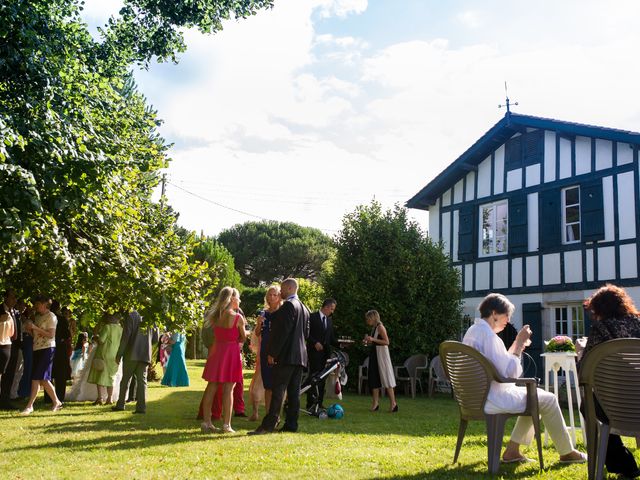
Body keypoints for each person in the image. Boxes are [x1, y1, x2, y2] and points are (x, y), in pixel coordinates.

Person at [463, 293, 586, 464]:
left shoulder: (473, 332)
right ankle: (567, 452)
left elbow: (501, 365)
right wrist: (519, 344)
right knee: (547, 399)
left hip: (475, 397)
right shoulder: (489, 337)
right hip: (491, 397)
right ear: (494, 313)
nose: (508, 319)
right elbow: (510, 374)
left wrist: (516, 343)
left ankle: (513, 451)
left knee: (535, 397)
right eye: (507, 315)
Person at [576, 284, 640, 478]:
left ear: (599, 309)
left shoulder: (600, 329)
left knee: (587, 405)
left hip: (616, 405)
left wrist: (580, 353)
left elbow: (584, 373)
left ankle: (624, 465)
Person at [249, 278, 310, 435]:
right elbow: (306, 333)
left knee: (278, 390)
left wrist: (272, 353)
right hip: (300, 357)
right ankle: (291, 424)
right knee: (294, 393)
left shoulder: (289, 305)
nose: (280, 293)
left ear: (289, 288)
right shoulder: (304, 307)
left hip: (286, 356)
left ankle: (268, 425)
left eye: (282, 290)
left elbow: (283, 332)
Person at [200, 287, 246, 433]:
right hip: (231, 353)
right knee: (228, 389)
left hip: (216, 352)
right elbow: (243, 337)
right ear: (232, 299)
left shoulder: (214, 315)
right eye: (238, 297)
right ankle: (226, 425)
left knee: (211, 386)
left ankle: (206, 422)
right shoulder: (238, 318)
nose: (239, 300)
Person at [21, 295, 63, 414]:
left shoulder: (51, 316)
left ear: (45, 304)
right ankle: (56, 402)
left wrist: (34, 327)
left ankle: (30, 406)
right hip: (37, 348)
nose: (35, 306)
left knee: (37, 378)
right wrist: (30, 330)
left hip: (47, 349)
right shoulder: (38, 317)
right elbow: (37, 334)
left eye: (38, 304)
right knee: (42, 379)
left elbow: (50, 335)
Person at [112, 311, 158, 414]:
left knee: (125, 380)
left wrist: (119, 354)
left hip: (131, 353)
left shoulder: (131, 316)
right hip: (145, 354)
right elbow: (155, 339)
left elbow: (125, 337)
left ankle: (120, 404)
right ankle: (141, 407)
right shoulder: (152, 316)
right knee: (142, 381)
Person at [364, 310, 397, 413]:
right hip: (375, 355)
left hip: (382, 356)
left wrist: (373, 340)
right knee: (374, 378)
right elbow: (375, 342)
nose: (366, 321)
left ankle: (393, 404)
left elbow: (386, 342)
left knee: (387, 378)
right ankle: (375, 404)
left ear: (373, 318)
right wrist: (369, 341)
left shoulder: (380, 327)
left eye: (368, 318)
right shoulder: (374, 328)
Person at [306, 298, 337, 411]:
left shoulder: (329, 320)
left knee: (323, 378)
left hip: (326, 354)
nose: (332, 311)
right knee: (314, 377)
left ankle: (320, 402)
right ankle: (311, 403)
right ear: (326, 307)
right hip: (314, 353)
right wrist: (315, 343)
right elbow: (306, 333)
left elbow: (331, 338)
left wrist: (342, 344)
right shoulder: (312, 317)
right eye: (332, 309)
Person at [87, 313, 123, 404]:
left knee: (100, 374)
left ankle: (100, 398)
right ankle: (109, 398)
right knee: (111, 376)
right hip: (115, 355)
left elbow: (101, 340)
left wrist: (95, 337)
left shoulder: (107, 327)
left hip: (104, 353)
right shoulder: (121, 329)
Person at [0, 288, 19, 409]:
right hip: (2, 344)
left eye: (15, 297)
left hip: (13, 345)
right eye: (12, 297)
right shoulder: (0, 310)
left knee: (10, 374)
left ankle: (5, 400)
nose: (14, 300)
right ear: (6, 298)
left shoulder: (14, 311)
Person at [50, 305, 72, 402]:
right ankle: (60, 397)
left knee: (50, 374)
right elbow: (67, 335)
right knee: (60, 375)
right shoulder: (62, 320)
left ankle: (48, 397)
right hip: (60, 348)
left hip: (49, 347)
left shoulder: (46, 317)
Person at [17, 302, 34, 398]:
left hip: (29, 344)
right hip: (26, 344)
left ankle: (25, 391)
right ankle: (22, 391)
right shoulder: (23, 318)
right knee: (24, 367)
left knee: (27, 367)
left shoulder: (30, 319)